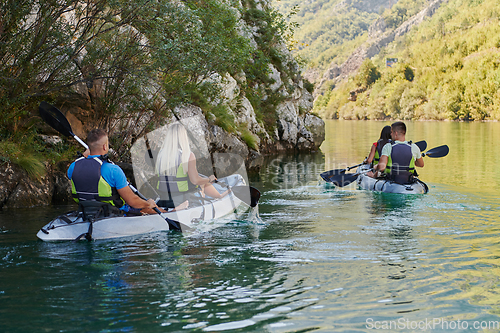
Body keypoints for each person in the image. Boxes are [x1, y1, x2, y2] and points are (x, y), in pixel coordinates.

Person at [68, 129, 158, 214]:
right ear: (105, 146)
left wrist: (87, 153)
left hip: (86, 211)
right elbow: (132, 201)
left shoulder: (73, 167)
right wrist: (148, 203)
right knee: (148, 208)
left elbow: (86, 170)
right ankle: (170, 213)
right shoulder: (113, 170)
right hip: (112, 212)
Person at [155, 122, 229, 210]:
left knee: (200, 179)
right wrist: (209, 179)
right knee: (202, 181)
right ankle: (220, 196)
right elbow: (195, 180)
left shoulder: (160, 155)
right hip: (183, 200)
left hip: (164, 199)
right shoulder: (188, 155)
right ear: (183, 137)